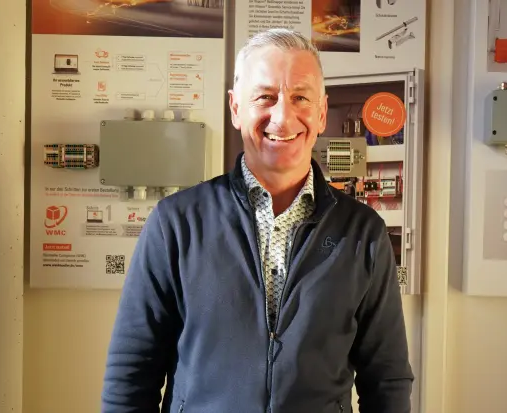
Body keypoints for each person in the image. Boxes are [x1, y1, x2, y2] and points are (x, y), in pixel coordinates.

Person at [101, 28, 413, 413]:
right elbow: (132, 374)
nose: (282, 118)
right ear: (235, 108)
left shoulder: (363, 233)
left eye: (300, 97)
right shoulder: (176, 225)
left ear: (320, 113)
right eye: (265, 97)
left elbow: (386, 379)